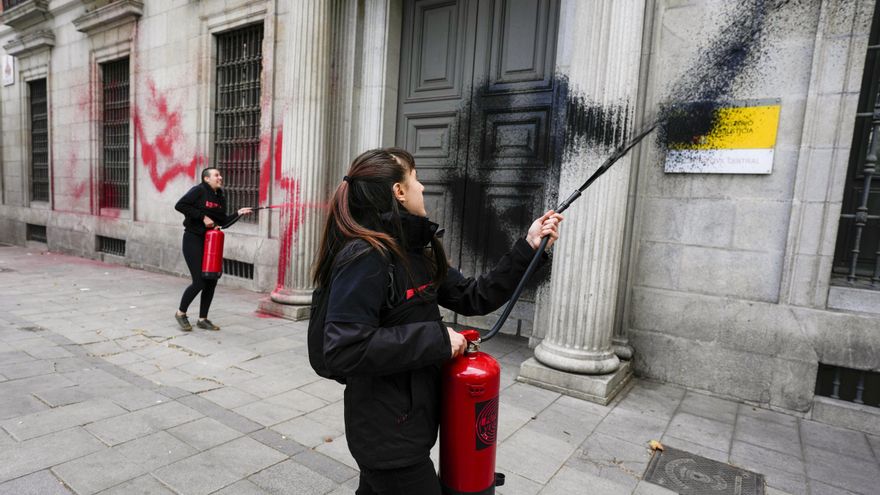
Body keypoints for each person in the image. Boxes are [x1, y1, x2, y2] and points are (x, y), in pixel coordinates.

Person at [313, 148, 563, 494]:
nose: (422, 187)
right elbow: (344, 347)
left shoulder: (415, 251)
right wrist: (438, 339)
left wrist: (529, 247)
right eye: (415, 179)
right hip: (386, 438)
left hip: (409, 425)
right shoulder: (366, 257)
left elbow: (474, 295)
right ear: (399, 192)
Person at [173, 167, 252, 331]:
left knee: (211, 280)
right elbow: (180, 205)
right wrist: (202, 217)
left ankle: (203, 319)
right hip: (193, 239)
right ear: (206, 178)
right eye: (216, 175)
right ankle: (181, 313)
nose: (220, 177)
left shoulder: (220, 197)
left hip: (211, 243)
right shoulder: (199, 190)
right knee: (199, 281)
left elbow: (223, 223)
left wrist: (239, 213)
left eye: (220, 175)